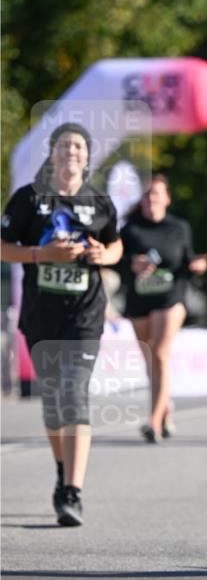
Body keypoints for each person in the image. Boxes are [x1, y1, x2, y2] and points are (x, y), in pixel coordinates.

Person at [0, 123, 123, 526]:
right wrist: (42, 254)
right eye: (65, 145)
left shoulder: (98, 201)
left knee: (74, 394)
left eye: (79, 146)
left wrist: (104, 255)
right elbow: (3, 247)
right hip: (40, 315)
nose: (72, 151)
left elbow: (116, 243)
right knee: (53, 405)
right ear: (52, 154)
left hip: (85, 315)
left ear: (87, 158)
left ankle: (73, 492)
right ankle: (62, 469)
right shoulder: (28, 199)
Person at [119, 173, 207, 442]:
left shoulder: (179, 227)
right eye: (147, 195)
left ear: (167, 198)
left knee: (160, 352)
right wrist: (132, 265)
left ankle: (154, 419)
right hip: (139, 299)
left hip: (171, 296)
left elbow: (187, 258)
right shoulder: (130, 229)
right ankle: (164, 404)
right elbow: (115, 261)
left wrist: (197, 265)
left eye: (157, 194)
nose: (151, 199)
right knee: (150, 357)